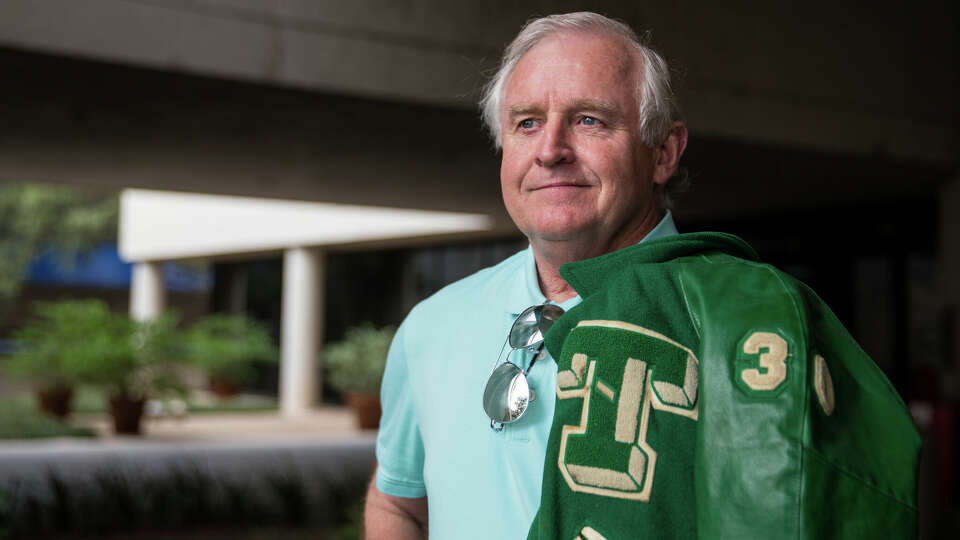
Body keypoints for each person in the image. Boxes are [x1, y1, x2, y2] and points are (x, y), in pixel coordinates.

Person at [365, 12, 920, 540]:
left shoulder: (749, 323)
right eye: (527, 123)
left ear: (663, 152)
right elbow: (397, 505)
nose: (551, 150)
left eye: (588, 120)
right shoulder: (432, 325)